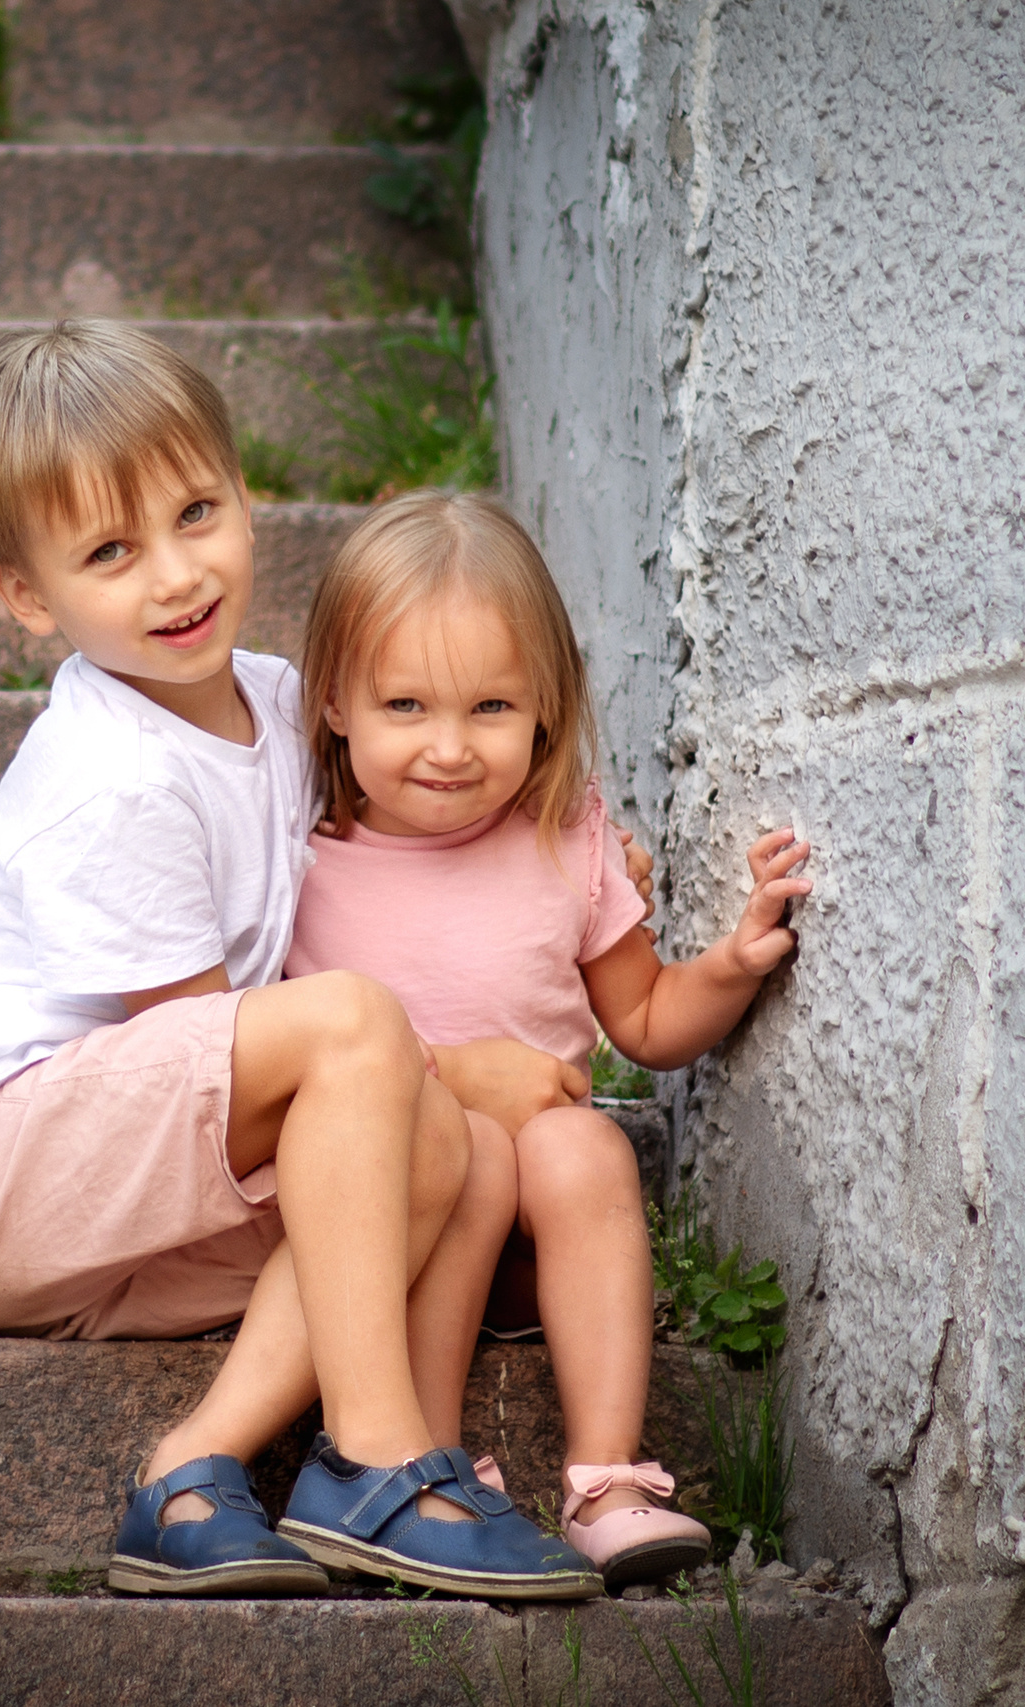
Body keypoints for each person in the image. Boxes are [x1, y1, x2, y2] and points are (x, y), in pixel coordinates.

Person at [0, 320, 600, 1600]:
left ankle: (192, 1471)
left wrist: (588, 869)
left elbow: (413, 813)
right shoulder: (111, 778)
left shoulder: (274, 700)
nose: (173, 575)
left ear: (242, 490)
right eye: (110, 551)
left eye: (196, 512)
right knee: (366, 1044)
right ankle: (377, 1455)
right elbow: (210, 1060)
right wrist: (469, 1062)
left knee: (448, 1151)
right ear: (26, 593)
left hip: (124, 1213)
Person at [285, 489, 813, 1586]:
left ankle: (606, 1480)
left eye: (489, 707)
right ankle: (415, 1472)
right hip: (401, 1236)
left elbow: (647, 1022)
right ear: (334, 702)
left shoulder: (565, 838)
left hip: (548, 1254)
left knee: (583, 1144)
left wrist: (731, 962)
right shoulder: (297, 860)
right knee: (462, 1151)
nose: (448, 746)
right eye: (405, 705)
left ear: (545, 706)